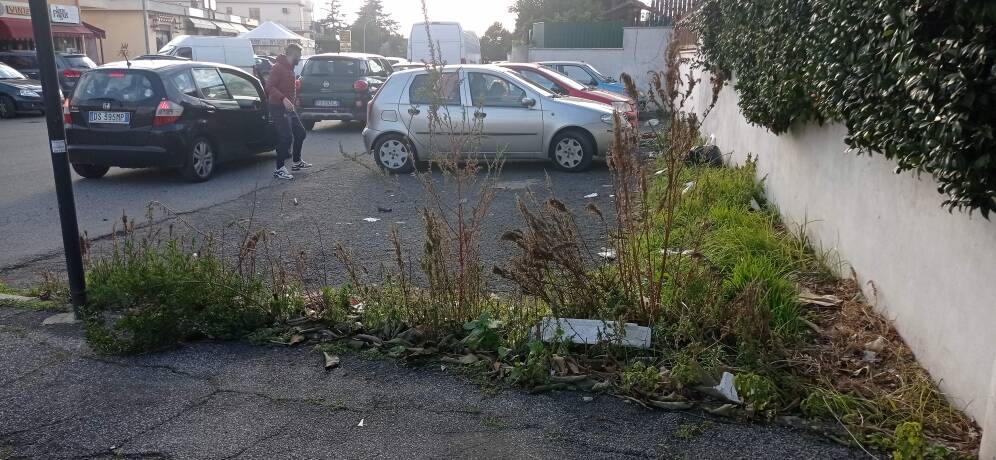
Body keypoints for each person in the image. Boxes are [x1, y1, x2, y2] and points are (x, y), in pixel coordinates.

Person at [265, 43, 312, 180]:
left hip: (289, 108)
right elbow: (269, 87)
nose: (300, 58)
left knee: (300, 133)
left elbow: (288, 87)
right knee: (285, 137)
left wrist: (292, 100)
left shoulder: (290, 68)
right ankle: (279, 169)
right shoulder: (278, 68)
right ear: (293, 55)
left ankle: (296, 162)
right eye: (299, 56)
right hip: (278, 107)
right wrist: (284, 99)